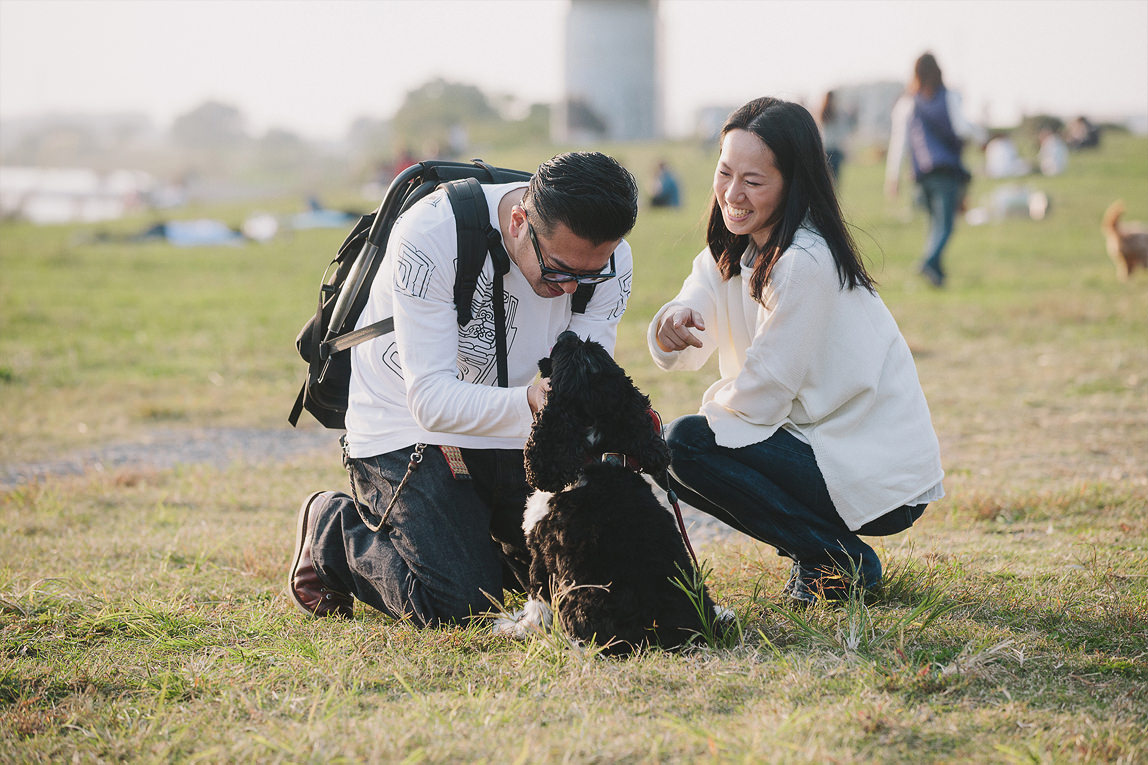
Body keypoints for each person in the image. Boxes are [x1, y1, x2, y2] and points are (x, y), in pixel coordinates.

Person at [289, 152, 640, 624]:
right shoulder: (432, 234)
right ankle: (333, 530)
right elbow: (430, 402)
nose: (573, 288)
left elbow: (587, 385)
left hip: (522, 428)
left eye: (589, 274)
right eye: (558, 270)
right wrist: (534, 400)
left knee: (582, 577)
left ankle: (470, 539)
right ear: (519, 221)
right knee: (457, 605)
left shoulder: (612, 261)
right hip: (408, 427)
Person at [649, 97, 944, 606]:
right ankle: (822, 557)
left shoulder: (805, 260)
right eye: (724, 173)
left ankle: (838, 562)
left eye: (754, 181)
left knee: (684, 444)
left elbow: (763, 396)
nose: (732, 193)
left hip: (870, 465)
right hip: (818, 449)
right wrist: (672, 324)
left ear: (793, 182)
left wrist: (701, 427)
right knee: (678, 450)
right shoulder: (736, 249)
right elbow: (693, 305)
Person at [885, 52, 985, 287]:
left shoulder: (907, 102)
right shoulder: (949, 96)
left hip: (921, 173)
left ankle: (937, 275)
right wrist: (981, 137)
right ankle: (929, 261)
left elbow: (900, 143)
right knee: (946, 225)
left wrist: (893, 178)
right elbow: (961, 127)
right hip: (946, 170)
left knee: (934, 223)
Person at [817, 90, 853, 184]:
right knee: (834, 181)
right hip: (833, 150)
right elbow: (842, 133)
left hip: (825, 149)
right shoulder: (838, 114)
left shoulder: (821, 113)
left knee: (826, 180)